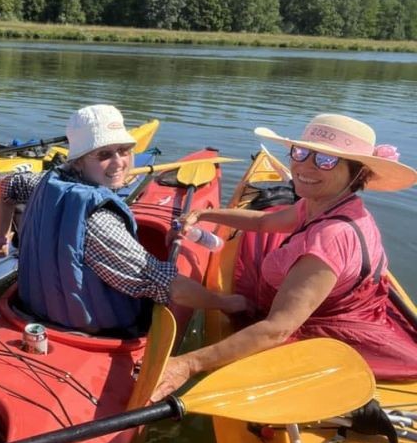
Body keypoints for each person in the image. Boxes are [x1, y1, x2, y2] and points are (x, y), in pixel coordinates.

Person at [151, 113, 417, 401]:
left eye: (325, 160)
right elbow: (263, 223)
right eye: (301, 152)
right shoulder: (323, 203)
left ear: (357, 173)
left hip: (321, 334)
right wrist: (205, 214)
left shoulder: (331, 237)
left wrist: (188, 364)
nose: (303, 166)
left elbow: (277, 330)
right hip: (332, 305)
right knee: (266, 225)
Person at [0, 104, 247, 335]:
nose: (119, 162)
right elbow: (171, 288)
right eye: (103, 155)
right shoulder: (100, 221)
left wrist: (1, 239)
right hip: (95, 331)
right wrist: (226, 303)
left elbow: (6, 186)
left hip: (31, 309)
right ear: (78, 162)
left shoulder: (43, 181)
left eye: (124, 150)